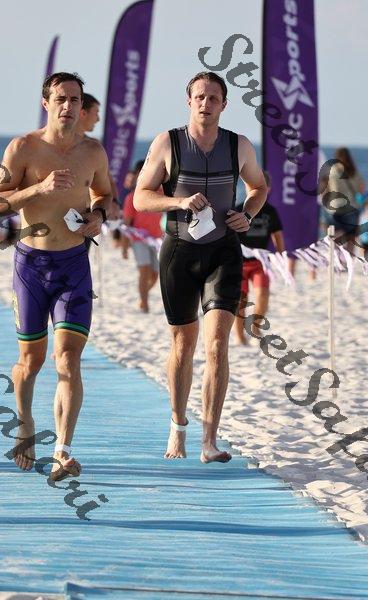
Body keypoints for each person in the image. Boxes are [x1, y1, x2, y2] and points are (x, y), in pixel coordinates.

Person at [134, 71, 267, 462]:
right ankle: (178, 427)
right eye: (199, 97)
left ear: (224, 104)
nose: (205, 103)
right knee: (182, 344)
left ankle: (210, 441)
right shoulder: (168, 143)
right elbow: (141, 198)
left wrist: (247, 213)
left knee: (217, 344)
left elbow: (259, 187)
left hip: (223, 252)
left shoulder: (239, 145)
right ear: (188, 101)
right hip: (179, 253)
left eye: (213, 98)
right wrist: (177, 202)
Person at [0, 72, 112, 480]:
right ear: (46, 103)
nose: (68, 106)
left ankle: (63, 450)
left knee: (69, 358)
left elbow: (106, 194)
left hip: (74, 265)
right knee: (31, 361)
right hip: (31, 267)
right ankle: (25, 425)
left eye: (75, 100)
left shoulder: (93, 152)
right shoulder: (23, 148)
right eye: (60, 98)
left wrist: (98, 216)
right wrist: (37, 190)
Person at [234, 170, 285, 344]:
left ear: (267, 189)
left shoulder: (271, 212)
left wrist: (280, 256)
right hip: (239, 263)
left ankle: (255, 326)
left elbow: (277, 235)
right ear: (246, 187)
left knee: (263, 296)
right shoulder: (238, 209)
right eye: (250, 186)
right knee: (240, 301)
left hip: (261, 263)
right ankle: (240, 336)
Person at [122, 160, 162, 312]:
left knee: (155, 275)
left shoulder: (161, 193)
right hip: (139, 239)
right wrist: (124, 247)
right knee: (144, 271)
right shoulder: (131, 197)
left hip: (157, 239)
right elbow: (126, 224)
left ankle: (142, 293)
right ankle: (144, 303)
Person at [77, 92, 120, 221]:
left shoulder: (93, 146)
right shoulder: (59, 146)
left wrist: (115, 203)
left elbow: (108, 179)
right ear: (83, 113)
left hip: (91, 216)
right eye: (96, 113)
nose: (98, 119)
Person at [320, 147, 365, 251]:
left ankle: (336, 257)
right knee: (351, 238)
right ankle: (348, 259)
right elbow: (362, 190)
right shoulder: (354, 171)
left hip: (334, 208)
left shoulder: (332, 170)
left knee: (333, 237)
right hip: (351, 207)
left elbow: (324, 190)